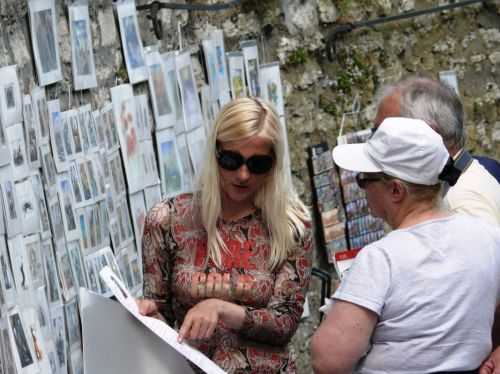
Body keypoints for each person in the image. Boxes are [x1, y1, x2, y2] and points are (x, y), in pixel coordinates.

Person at [311, 117, 500, 373]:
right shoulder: (487, 236)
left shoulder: (381, 259)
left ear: (396, 191)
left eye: (364, 179)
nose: (362, 187)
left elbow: (328, 359)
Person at [138, 97, 312, 373]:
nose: (243, 175)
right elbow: (160, 314)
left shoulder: (290, 225)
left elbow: (285, 323)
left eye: (258, 165)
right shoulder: (168, 220)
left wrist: (220, 309)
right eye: (231, 160)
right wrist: (148, 314)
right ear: (215, 152)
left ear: (274, 164)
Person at [373, 76, 500, 227]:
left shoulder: (461, 202)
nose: (375, 142)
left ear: (428, 133)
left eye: (384, 132)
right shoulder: (458, 182)